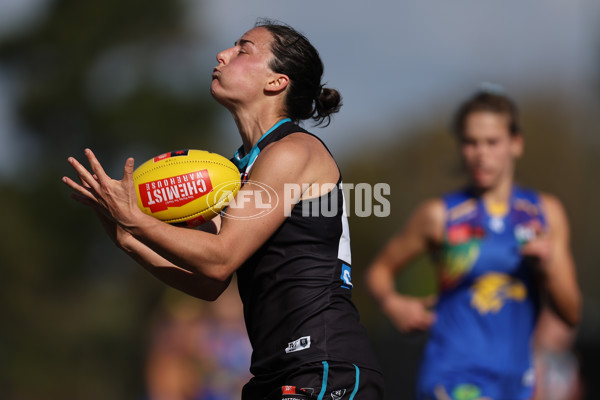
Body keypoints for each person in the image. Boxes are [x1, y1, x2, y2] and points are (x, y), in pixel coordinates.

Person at [62, 19, 383, 400]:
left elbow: (220, 258)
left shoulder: (293, 151)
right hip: (274, 374)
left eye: (243, 49)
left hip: (324, 367)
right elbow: (208, 282)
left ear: (276, 82)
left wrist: (136, 219)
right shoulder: (235, 171)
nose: (223, 54)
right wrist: (126, 239)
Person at [366, 87, 581, 400]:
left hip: (518, 382)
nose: (481, 153)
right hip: (454, 377)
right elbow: (379, 270)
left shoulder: (545, 214)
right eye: (470, 142)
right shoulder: (440, 215)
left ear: (515, 143)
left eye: (492, 142)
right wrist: (391, 302)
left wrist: (548, 266)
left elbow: (571, 312)